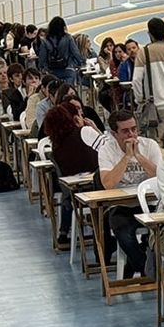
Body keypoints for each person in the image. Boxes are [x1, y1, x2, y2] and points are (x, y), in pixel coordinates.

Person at [94, 110, 162, 280]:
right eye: (125, 131)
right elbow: (108, 184)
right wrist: (126, 157)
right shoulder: (106, 151)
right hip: (121, 206)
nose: (131, 134)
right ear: (114, 134)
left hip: (150, 204)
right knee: (123, 233)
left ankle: (135, 268)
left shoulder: (150, 145)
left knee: (161, 231)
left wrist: (138, 156)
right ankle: (148, 272)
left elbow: (161, 177)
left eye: (134, 129)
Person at [40, 92, 101, 250]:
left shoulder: (56, 146)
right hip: (96, 188)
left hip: (73, 194)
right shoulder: (84, 133)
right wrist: (93, 129)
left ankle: (63, 232)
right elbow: (107, 150)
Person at [39, 16, 83, 85]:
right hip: (67, 70)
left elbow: (42, 59)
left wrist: (44, 70)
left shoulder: (45, 41)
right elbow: (76, 53)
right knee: (68, 91)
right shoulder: (68, 38)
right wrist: (79, 64)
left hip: (52, 72)